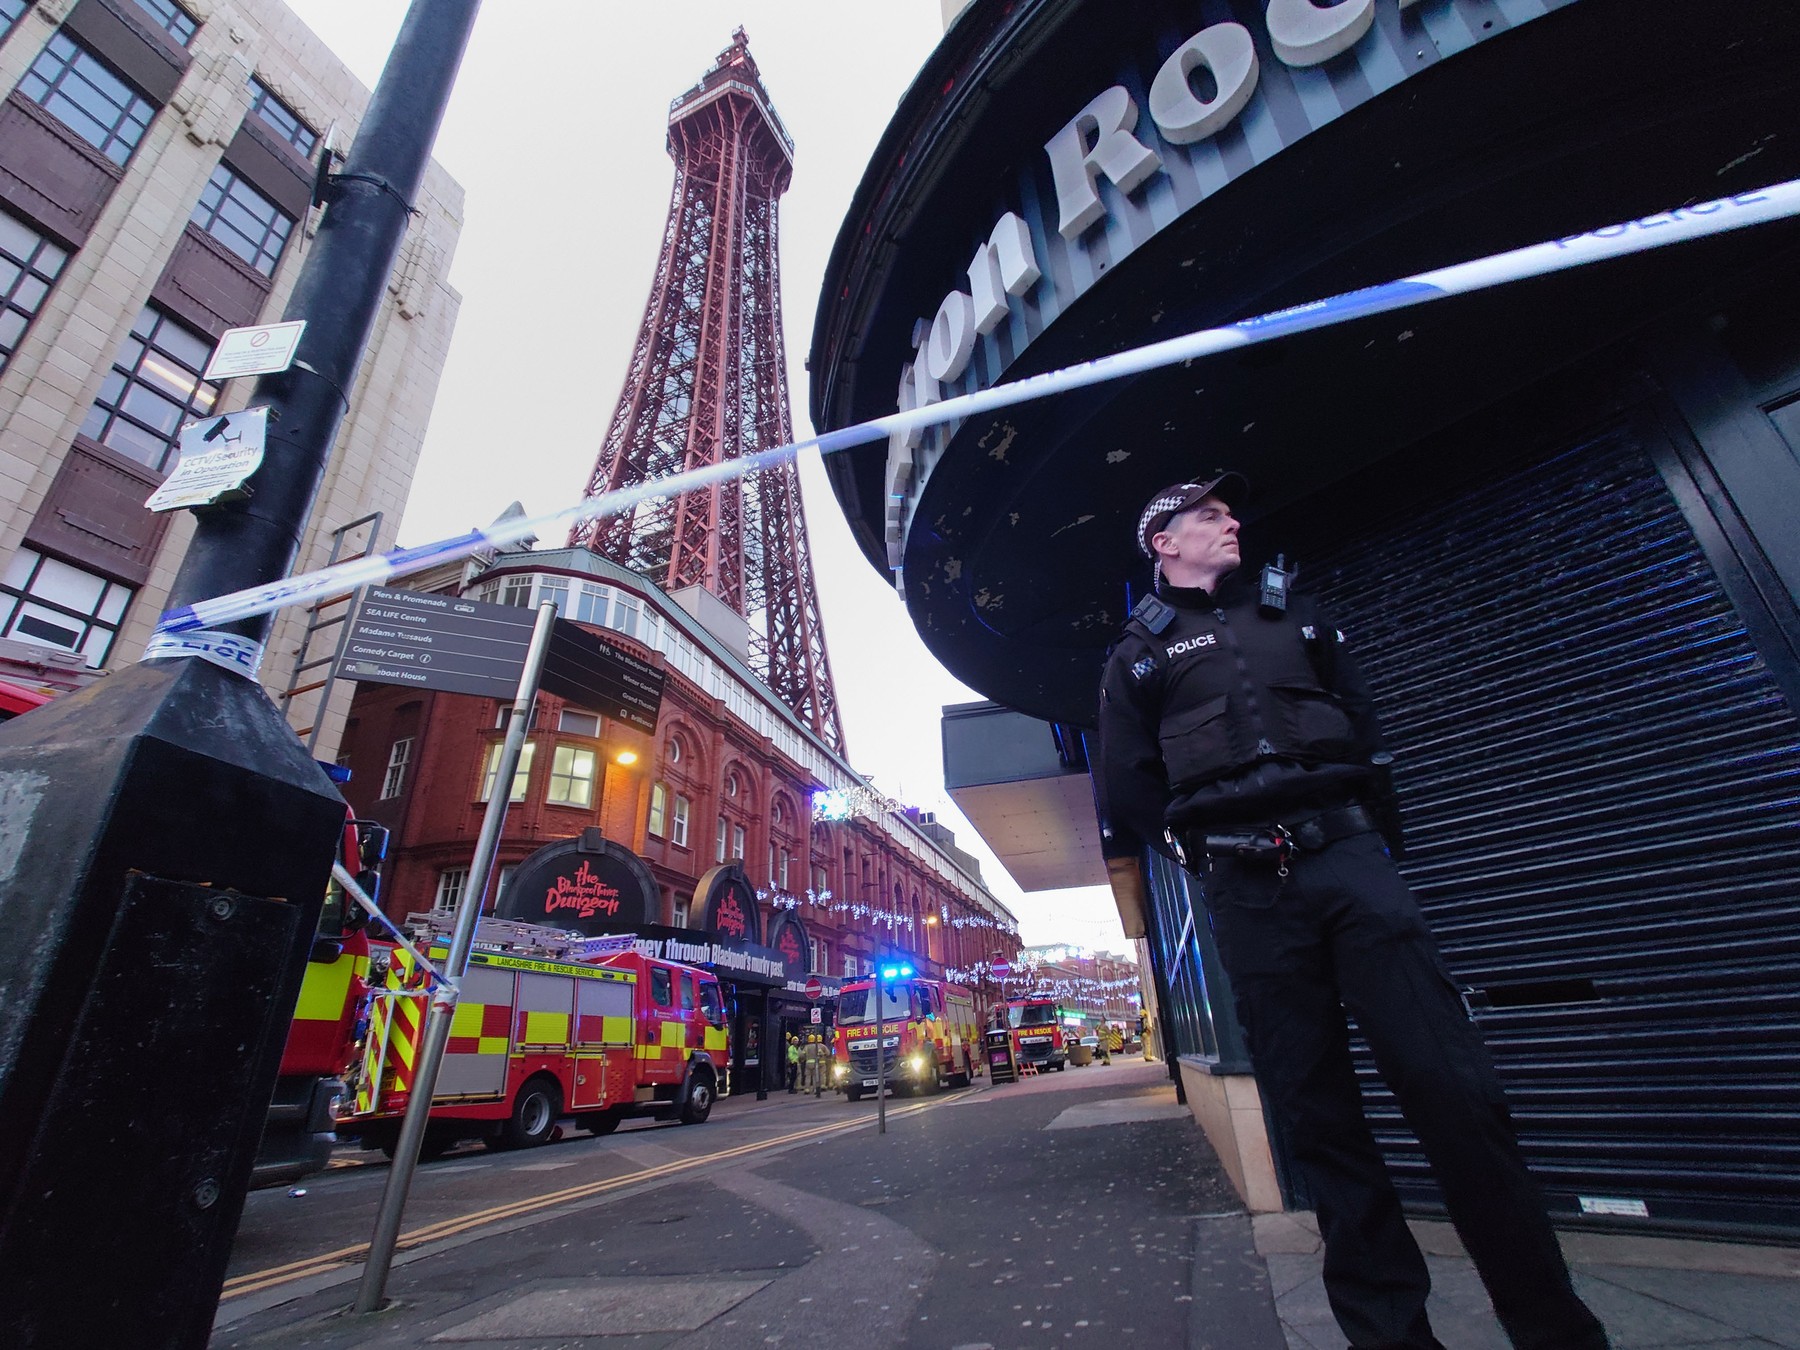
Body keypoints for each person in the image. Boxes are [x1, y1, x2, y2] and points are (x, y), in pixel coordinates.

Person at [1095, 472, 1608, 1350]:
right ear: (1163, 542)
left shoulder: (1298, 615)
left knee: (1455, 1091)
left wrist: (1360, 840)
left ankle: (1554, 1328)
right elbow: (1129, 784)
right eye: (1209, 516)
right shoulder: (1136, 655)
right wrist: (1208, 857)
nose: (1231, 523)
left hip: (1349, 861)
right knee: (1320, 1119)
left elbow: (1362, 726)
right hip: (1249, 892)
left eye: (1229, 512)